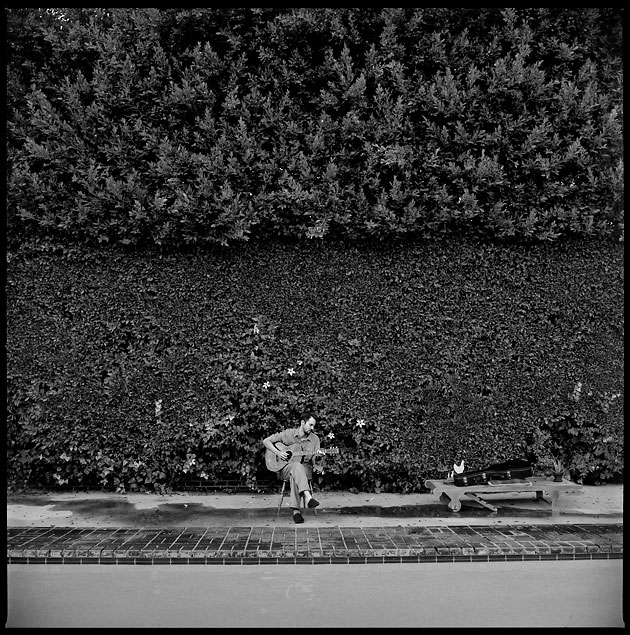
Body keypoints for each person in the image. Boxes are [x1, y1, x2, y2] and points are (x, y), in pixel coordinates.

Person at [263, 412, 323, 524]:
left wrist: (318, 456)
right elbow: (266, 441)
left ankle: (296, 512)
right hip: (285, 468)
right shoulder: (288, 434)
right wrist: (279, 453)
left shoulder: (315, 439)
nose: (312, 428)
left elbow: (315, 460)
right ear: (302, 423)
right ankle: (308, 497)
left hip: (305, 470)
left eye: (314, 426)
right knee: (296, 467)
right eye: (310, 425)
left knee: (297, 470)